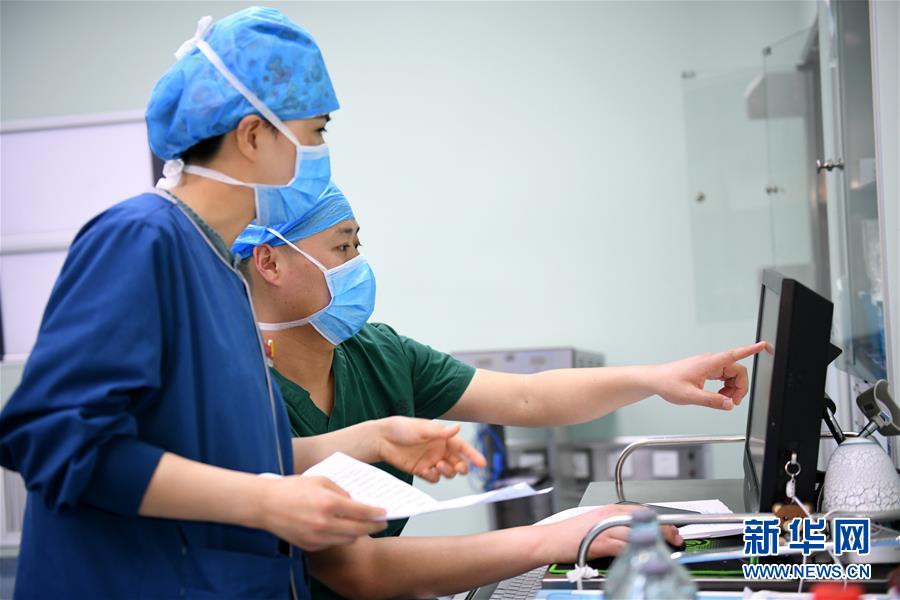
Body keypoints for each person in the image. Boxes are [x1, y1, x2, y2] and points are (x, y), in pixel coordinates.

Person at [0, 9, 482, 599]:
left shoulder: (220, 269)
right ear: (253, 136)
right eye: (316, 132)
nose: (321, 151)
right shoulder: (142, 238)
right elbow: (57, 439)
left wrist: (371, 438)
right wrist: (266, 501)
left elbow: (226, 452)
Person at [233, 181, 766, 599]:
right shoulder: (240, 392)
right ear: (270, 262)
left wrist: (655, 378)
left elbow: (528, 398)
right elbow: (359, 571)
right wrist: (551, 539)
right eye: (341, 247)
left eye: (358, 245)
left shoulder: (378, 353)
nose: (358, 265)